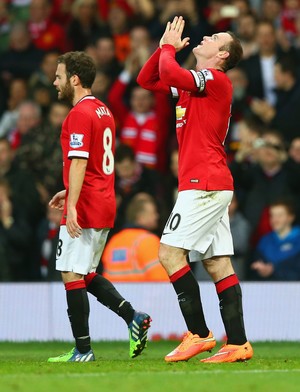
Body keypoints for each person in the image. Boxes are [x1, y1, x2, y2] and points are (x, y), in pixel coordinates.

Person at [137, 16, 253, 363]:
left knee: (169, 254)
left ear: (221, 55)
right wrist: (162, 49)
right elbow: (149, 78)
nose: (205, 36)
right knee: (217, 263)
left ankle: (199, 334)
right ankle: (238, 344)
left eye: (215, 37)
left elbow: (170, 73)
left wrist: (169, 50)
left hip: (203, 183)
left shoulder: (215, 80)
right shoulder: (192, 86)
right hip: (208, 182)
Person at [47, 51, 151, 363]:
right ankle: (132, 317)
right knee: (86, 272)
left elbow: (79, 161)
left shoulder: (78, 114)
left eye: (59, 76)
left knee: (70, 272)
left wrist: (74, 204)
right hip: (103, 199)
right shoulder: (104, 111)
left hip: (88, 204)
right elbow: (96, 164)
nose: (55, 82)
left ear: (74, 79)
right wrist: (69, 191)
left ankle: (83, 350)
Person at [101, 193, 169, 282]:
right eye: (153, 213)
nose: (156, 216)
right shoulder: (148, 241)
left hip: (114, 294)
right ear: (140, 218)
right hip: (141, 294)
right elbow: (161, 281)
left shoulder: (114, 240)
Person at [250, 199, 300, 280]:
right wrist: (260, 271)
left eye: (280, 215)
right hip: (268, 290)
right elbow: (254, 270)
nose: (275, 220)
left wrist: (273, 270)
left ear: (291, 217)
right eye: (272, 215)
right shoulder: (264, 241)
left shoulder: (298, 239)